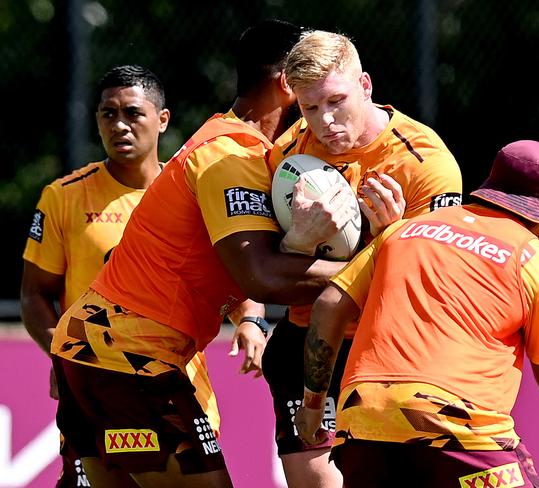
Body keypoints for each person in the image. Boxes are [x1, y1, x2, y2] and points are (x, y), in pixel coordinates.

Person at [46, 20, 352, 488]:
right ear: (287, 84)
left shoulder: (231, 143)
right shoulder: (231, 155)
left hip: (92, 349)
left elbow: (230, 267)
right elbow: (261, 277)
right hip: (128, 359)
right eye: (314, 86)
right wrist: (376, 267)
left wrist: (251, 317)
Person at [296, 139, 539, 487]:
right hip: (458, 428)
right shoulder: (537, 264)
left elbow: (327, 306)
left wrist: (312, 404)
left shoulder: (403, 231)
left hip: (363, 422)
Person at [21, 64, 245, 487]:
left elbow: (231, 262)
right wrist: (61, 351)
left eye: (133, 113)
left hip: (174, 385)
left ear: (163, 120)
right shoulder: (65, 196)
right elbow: (34, 292)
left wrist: (250, 319)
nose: (119, 125)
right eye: (108, 114)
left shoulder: (192, 191)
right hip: (102, 385)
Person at [263, 29, 463, 487]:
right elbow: (259, 257)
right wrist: (254, 314)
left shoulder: (425, 164)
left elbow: (434, 286)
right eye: (310, 108)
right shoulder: (288, 153)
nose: (325, 121)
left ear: (366, 85)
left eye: (336, 101)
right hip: (305, 338)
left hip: (388, 350)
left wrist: (393, 237)